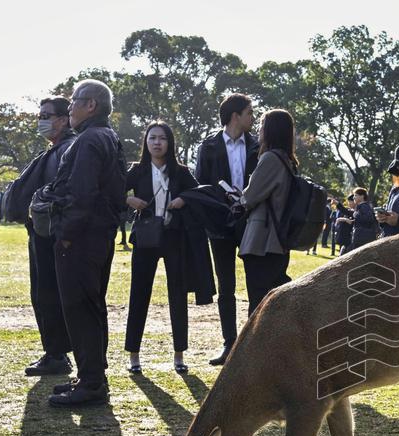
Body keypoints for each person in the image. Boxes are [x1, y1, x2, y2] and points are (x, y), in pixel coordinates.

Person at [38, 79, 126, 407]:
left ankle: (91, 384)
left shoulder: (89, 139)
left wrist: (66, 235)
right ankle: (93, 377)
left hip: (80, 239)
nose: (70, 106)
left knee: (80, 310)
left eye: (75, 100)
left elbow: (82, 193)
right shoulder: (108, 136)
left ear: (91, 105)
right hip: (99, 236)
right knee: (92, 307)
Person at [3, 96, 77, 376]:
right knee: (43, 293)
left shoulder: (67, 149)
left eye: (47, 116)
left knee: (48, 293)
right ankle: (55, 352)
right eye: (40, 115)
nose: (41, 121)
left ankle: (57, 354)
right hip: (42, 231)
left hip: (51, 234)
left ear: (63, 120)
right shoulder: (55, 150)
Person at [124, 122, 201, 374]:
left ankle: (179, 355)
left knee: (177, 294)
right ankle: (134, 356)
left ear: (170, 142)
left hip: (174, 237)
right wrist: (129, 199)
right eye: (152, 138)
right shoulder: (136, 170)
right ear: (145, 142)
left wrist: (183, 199)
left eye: (162, 138)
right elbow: (112, 192)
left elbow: (200, 193)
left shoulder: (181, 172)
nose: (157, 143)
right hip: (145, 237)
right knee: (139, 294)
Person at [193, 93, 259, 365]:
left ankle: (254, 344)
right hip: (219, 223)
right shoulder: (208, 146)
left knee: (256, 283)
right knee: (226, 286)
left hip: (251, 221)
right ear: (235, 116)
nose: (253, 117)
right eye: (249, 112)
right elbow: (200, 185)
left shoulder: (257, 145)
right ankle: (229, 343)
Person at [237, 109, 297, 316]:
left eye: (263, 125)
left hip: (262, 242)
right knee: (271, 302)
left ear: (271, 130)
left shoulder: (270, 158)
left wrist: (238, 197)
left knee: (258, 303)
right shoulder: (289, 161)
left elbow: (250, 197)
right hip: (278, 241)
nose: (259, 130)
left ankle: (256, 337)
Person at [347, 188, 380, 252]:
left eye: (356, 195)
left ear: (362, 196)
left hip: (363, 238)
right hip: (360, 237)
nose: (354, 197)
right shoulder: (361, 206)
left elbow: (368, 219)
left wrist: (356, 215)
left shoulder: (364, 206)